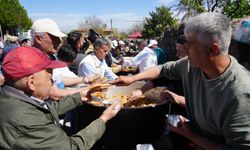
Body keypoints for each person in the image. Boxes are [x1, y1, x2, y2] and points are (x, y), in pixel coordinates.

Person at [112, 12, 250, 149]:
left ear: (212, 49)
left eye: (189, 45)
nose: (184, 50)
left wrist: (192, 136)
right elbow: (163, 69)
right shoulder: (191, 65)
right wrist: (132, 79)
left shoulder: (240, 93)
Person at [0, 46, 121, 149]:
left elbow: (48, 109)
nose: (53, 82)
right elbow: (71, 147)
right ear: (31, 82)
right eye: (50, 78)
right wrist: (103, 119)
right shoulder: (28, 122)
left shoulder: (11, 96)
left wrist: (80, 97)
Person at [31, 18, 88, 99]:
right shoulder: (34, 61)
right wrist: (87, 89)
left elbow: (59, 80)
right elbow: (54, 94)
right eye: (54, 37)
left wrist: (83, 80)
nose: (59, 42)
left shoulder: (49, 58)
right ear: (38, 39)